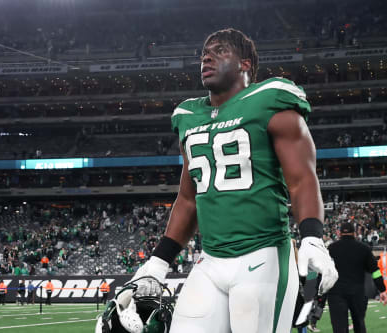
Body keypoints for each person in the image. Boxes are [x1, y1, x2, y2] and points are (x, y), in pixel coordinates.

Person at [118, 28, 339, 333]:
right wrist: (158, 261)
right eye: (204, 53)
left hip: (264, 255)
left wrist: (313, 236)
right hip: (210, 260)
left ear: (245, 64)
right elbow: (188, 198)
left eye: (220, 50)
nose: (206, 56)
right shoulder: (190, 116)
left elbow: (301, 179)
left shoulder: (270, 101)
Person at [327, 221, 387, 333]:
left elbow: (324, 272)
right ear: (354, 233)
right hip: (357, 293)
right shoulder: (363, 249)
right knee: (359, 325)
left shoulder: (331, 248)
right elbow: (375, 271)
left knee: (339, 328)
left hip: (336, 293)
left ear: (339, 233)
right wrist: (382, 290)